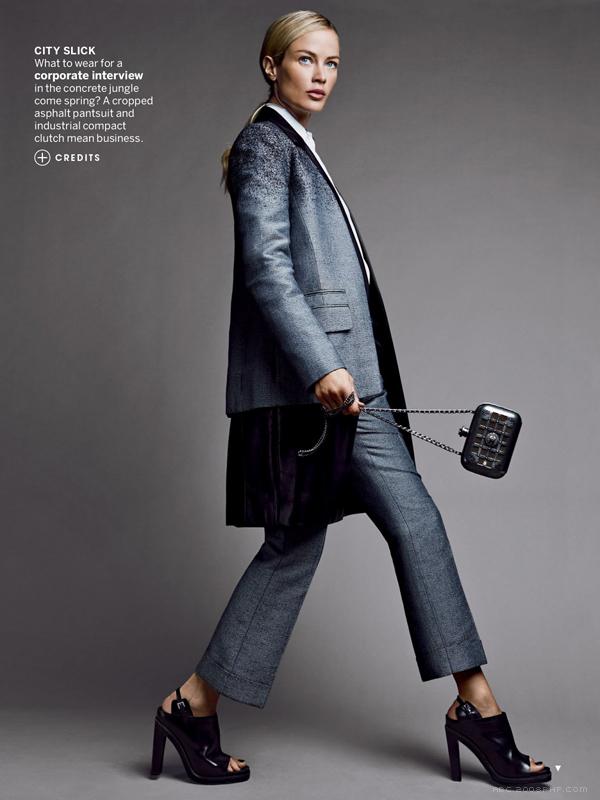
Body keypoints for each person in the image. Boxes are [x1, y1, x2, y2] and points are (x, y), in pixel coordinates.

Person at [149, 10, 551, 789]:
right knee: (309, 544)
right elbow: (266, 265)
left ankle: (472, 705)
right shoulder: (266, 144)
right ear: (272, 65)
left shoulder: (297, 144)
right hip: (323, 394)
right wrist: (319, 367)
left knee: (396, 528)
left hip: (352, 389)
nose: (322, 75)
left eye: (332, 62)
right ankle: (195, 704)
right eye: (306, 59)